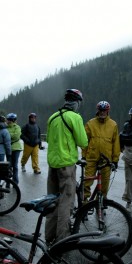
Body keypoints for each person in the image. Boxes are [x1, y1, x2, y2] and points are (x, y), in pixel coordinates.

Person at [45, 88, 88, 244]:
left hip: (53, 165)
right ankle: (62, 241)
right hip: (66, 166)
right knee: (66, 202)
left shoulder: (53, 117)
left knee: (52, 201)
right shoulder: (75, 117)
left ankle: (49, 237)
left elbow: (49, 140)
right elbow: (83, 142)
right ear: (76, 103)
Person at [82, 101, 120, 200]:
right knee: (87, 181)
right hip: (91, 157)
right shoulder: (90, 123)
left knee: (105, 182)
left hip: (106, 159)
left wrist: (115, 160)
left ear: (108, 111)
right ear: (98, 111)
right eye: (101, 110)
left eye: (104, 110)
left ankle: (101, 201)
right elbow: (85, 142)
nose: (102, 112)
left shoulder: (113, 125)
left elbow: (116, 143)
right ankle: (84, 202)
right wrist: (83, 156)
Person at [6, 113, 22, 185]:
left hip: (16, 148)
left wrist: (7, 135)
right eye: (7, 119)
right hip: (8, 148)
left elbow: (16, 136)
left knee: (15, 166)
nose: (7, 121)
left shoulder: (17, 127)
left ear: (12, 120)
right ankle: (8, 183)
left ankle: (15, 182)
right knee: (8, 166)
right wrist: (10, 135)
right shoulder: (5, 127)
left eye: (9, 119)